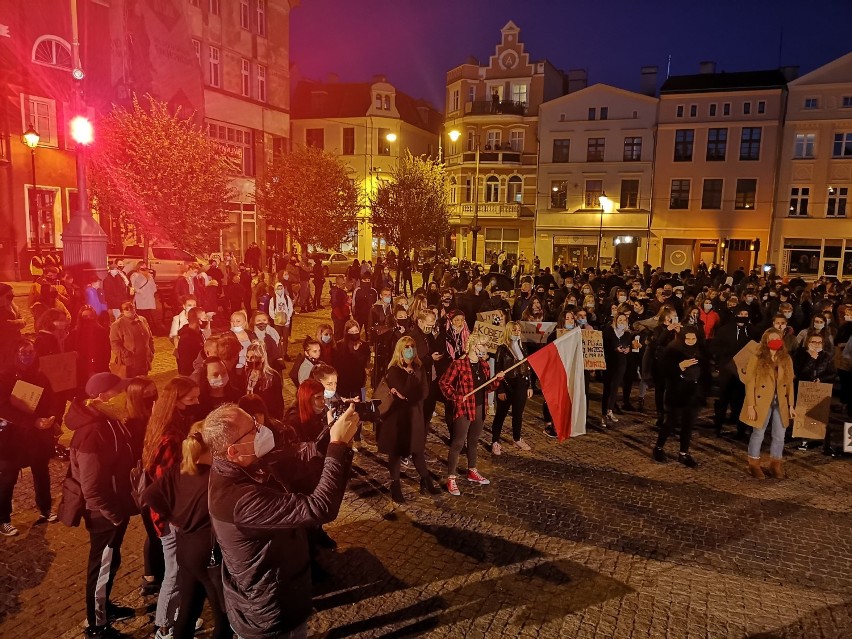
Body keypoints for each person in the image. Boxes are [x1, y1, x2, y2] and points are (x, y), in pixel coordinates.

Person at [204, 402, 359, 639]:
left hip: (282, 596)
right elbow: (320, 508)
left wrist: (330, 430)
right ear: (232, 451)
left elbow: (294, 456)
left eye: (256, 423)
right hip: (270, 615)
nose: (261, 429)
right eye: (253, 429)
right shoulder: (238, 499)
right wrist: (338, 446)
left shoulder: (240, 463)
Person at [64, 372, 137, 638]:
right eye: (118, 390)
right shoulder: (93, 431)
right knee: (101, 566)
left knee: (111, 561)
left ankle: (104, 606)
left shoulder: (107, 420)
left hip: (114, 508)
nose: (123, 395)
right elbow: (91, 486)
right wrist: (113, 514)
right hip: (104, 513)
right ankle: (97, 624)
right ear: (102, 396)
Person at [142, 377, 201, 639]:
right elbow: (165, 484)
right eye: (190, 399)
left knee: (178, 569)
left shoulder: (167, 425)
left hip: (171, 514)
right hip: (170, 517)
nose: (196, 402)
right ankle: (163, 626)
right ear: (175, 401)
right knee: (174, 571)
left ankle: (175, 616)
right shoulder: (170, 437)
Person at [0, 339, 62, 536]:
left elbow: (51, 399)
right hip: (13, 438)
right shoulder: (5, 377)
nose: (26, 356)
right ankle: (3, 519)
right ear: (14, 354)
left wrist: (52, 416)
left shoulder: (40, 375)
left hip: (36, 437)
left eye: (30, 352)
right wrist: (31, 422)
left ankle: (45, 509)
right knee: (8, 478)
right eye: (22, 352)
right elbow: (4, 407)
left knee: (41, 472)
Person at [439, 335, 505, 496]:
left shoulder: (484, 366)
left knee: (473, 441)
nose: (485, 348)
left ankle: (472, 471)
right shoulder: (459, 364)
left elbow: (487, 388)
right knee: (458, 443)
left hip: (480, 407)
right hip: (464, 408)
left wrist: (497, 380)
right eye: (483, 345)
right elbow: (443, 383)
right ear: (474, 346)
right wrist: (456, 397)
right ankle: (451, 478)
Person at [380, 336, 439, 503]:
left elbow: (424, 393)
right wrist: (409, 386)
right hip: (397, 418)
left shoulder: (419, 368)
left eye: (413, 346)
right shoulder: (394, 370)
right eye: (407, 347)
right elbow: (405, 391)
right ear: (400, 350)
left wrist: (407, 394)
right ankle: (395, 484)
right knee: (396, 452)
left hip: (415, 415)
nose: (410, 349)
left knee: (417, 449)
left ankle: (426, 479)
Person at [741, 328, 796, 480]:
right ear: (765, 341)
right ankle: (753, 463)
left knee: (780, 435)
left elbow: (789, 382)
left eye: (777, 338)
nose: (775, 341)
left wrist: (791, 405)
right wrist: (751, 406)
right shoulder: (757, 358)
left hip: (781, 402)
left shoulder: (786, 358)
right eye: (771, 338)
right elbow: (750, 383)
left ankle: (775, 463)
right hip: (761, 402)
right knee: (758, 433)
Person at [123, 377, 160, 595]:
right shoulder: (132, 427)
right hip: (146, 483)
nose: (153, 398)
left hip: (154, 480)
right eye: (148, 395)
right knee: (153, 530)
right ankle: (150, 577)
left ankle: (152, 573)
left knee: (156, 531)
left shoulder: (153, 418)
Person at [652, 326, 710, 467]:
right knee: (671, 422)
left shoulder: (701, 350)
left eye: (693, 338)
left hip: (693, 393)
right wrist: (679, 367)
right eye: (687, 338)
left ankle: (683, 453)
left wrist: (703, 390)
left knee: (688, 425)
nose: (690, 341)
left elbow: (706, 371)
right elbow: (663, 371)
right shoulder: (673, 350)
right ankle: (658, 448)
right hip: (677, 392)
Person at [490, 322, 533, 455]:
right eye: (514, 330)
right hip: (507, 383)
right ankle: (495, 441)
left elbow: (528, 367)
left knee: (518, 414)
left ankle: (517, 438)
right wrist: (500, 389)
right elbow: (498, 370)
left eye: (518, 329)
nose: (517, 332)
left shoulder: (523, 347)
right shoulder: (502, 349)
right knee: (501, 414)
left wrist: (529, 385)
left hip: (521, 384)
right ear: (508, 331)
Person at [793, 333, 836, 453]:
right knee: (803, 415)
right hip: (803, 389)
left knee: (823, 417)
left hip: (820, 390)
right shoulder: (800, 354)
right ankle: (804, 441)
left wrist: (821, 380)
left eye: (819, 342)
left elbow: (832, 373)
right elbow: (799, 372)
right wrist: (812, 358)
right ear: (808, 343)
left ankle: (826, 444)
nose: (816, 344)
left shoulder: (827, 356)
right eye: (813, 342)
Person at [66, 306, 111, 395]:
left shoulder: (102, 332)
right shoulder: (74, 333)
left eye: (91, 316)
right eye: (85, 317)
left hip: (98, 368)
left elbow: (106, 352)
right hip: (80, 371)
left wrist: (100, 368)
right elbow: (69, 352)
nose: (88, 319)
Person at [601, 312, 633, 427]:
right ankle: (604, 414)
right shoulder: (609, 331)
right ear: (615, 320)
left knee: (615, 387)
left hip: (621, 363)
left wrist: (628, 350)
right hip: (609, 362)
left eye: (624, 320)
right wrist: (615, 348)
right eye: (620, 320)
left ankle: (610, 410)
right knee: (607, 388)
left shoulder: (628, 334)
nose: (622, 322)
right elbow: (605, 344)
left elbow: (629, 346)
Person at [109, 301, 154, 378]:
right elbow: (114, 344)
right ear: (122, 311)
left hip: (144, 359)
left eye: (132, 307)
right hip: (130, 363)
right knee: (132, 385)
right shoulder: (117, 325)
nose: (130, 310)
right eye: (126, 308)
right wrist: (125, 354)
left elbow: (150, 337)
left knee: (144, 382)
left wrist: (151, 350)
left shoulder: (142, 320)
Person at [244, 340, 284, 418]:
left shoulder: (272, 377)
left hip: (266, 416)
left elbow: (278, 403)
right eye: (248, 357)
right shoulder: (247, 373)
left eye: (253, 358)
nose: (249, 360)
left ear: (262, 358)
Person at [333, 320, 370, 402]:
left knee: (359, 405)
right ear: (347, 332)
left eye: (356, 331)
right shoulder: (339, 346)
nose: (354, 333)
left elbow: (366, 363)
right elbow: (336, 365)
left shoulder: (364, 346)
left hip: (359, 381)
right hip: (344, 382)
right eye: (351, 331)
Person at [369, 285, 399, 387]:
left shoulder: (391, 307)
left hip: (390, 341)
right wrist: (372, 344)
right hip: (379, 341)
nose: (387, 297)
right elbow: (371, 326)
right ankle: (376, 384)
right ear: (381, 296)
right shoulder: (375, 308)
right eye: (385, 295)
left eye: (389, 295)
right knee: (379, 365)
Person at [176, 307, 208, 376]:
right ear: (199, 321)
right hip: (192, 374)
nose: (207, 320)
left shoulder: (198, 333)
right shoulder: (187, 339)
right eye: (205, 318)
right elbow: (187, 362)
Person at [268, 281, 294, 359]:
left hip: (286, 322)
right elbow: (271, 310)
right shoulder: (273, 299)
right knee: (278, 338)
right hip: (277, 322)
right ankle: (278, 353)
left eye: (281, 288)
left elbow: (290, 308)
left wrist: (287, 317)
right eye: (278, 288)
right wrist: (275, 318)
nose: (280, 290)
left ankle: (285, 353)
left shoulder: (287, 298)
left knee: (285, 338)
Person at [130, 263, 158, 332]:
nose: (144, 270)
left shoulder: (149, 276)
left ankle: (147, 330)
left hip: (149, 299)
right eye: (142, 268)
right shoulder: (135, 275)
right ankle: (141, 330)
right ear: (138, 268)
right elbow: (132, 286)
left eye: (146, 268)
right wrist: (139, 291)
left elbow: (153, 286)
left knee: (147, 316)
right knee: (141, 316)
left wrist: (153, 291)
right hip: (140, 300)